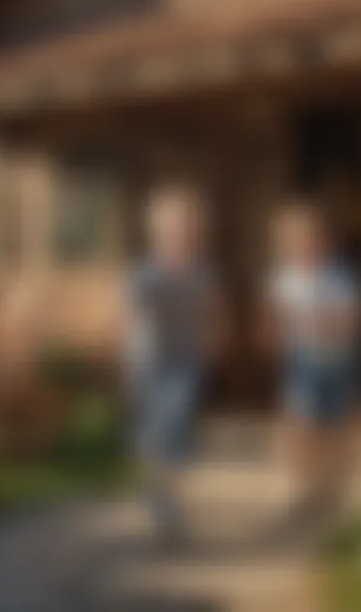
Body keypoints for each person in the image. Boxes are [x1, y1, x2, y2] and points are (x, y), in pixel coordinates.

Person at [123, 186, 221, 544]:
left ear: (196, 231)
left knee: (177, 431)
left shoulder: (202, 273)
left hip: (185, 363)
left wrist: (210, 341)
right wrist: (130, 356)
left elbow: (209, 313)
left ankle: (173, 504)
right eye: (172, 227)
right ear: (157, 231)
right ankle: (159, 498)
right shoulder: (146, 273)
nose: (180, 234)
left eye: (186, 227)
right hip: (149, 364)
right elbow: (132, 316)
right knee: (153, 439)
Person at [263, 200, 361, 531]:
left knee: (335, 429)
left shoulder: (340, 278)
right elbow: (276, 319)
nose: (303, 246)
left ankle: (335, 490)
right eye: (294, 240)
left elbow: (349, 322)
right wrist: (277, 336)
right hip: (300, 360)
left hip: (336, 361)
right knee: (300, 427)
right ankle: (303, 491)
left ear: (324, 241)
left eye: (310, 239)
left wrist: (317, 323)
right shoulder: (282, 278)